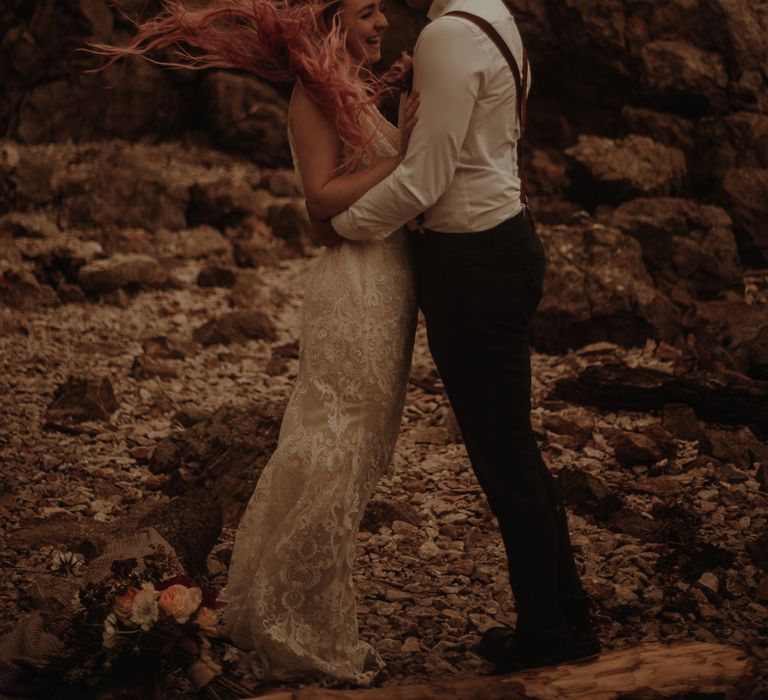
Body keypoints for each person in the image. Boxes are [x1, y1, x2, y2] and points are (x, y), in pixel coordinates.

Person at [87, 0, 420, 685]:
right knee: (334, 452)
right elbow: (322, 201)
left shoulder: (344, 90)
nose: (384, 21)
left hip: (381, 287)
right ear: (331, 24)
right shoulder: (310, 98)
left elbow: (354, 152)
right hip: (354, 294)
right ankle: (295, 622)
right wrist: (409, 154)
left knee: (349, 455)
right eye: (366, 12)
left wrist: (392, 97)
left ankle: (289, 604)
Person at [314, 0, 602, 672]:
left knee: (504, 458)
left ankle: (548, 632)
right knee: (515, 449)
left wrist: (344, 226)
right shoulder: (496, 18)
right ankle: (565, 614)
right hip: (505, 239)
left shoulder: (447, 34)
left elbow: (425, 176)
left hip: (471, 262)